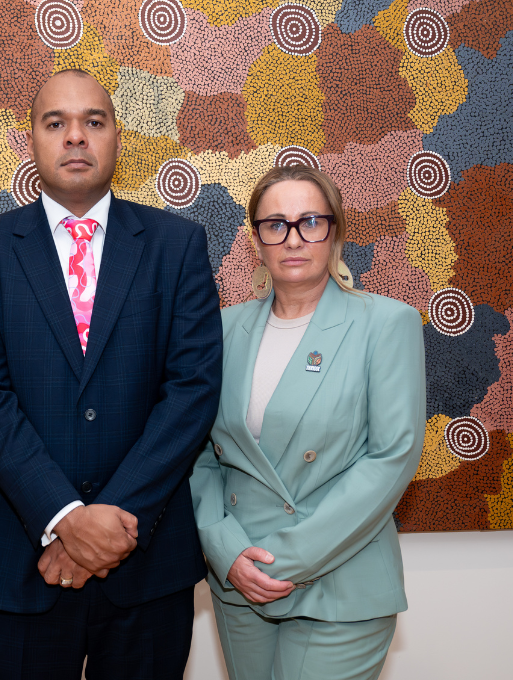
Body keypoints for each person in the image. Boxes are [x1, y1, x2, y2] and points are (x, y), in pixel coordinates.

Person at [0, 68, 223, 679]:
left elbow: (192, 391)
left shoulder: (177, 245)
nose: (75, 136)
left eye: (93, 121)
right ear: (32, 140)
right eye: (56, 123)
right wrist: (66, 519)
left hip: (148, 566)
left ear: (117, 136)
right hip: (25, 564)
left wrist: (111, 522)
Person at [190, 165, 427, 680]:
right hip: (241, 580)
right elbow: (197, 452)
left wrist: (280, 560)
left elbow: (391, 458)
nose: (293, 239)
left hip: (340, 578)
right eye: (275, 224)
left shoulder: (387, 323)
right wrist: (225, 550)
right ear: (256, 240)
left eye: (311, 222)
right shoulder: (222, 330)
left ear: (335, 231)